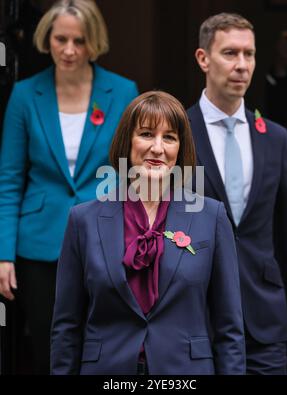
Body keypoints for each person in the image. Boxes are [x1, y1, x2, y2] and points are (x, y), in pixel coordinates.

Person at [50, 91, 246, 375]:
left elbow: (230, 328)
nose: (157, 148)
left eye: (169, 137)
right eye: (146, 134)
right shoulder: (83, 220)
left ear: (180, 149)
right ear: (127, 142)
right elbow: (66, 327)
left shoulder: (211, 217)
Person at [0, 0, 138, 375]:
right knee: (49, 344)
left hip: (103, 237)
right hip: (39, 245)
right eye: (61, 39)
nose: (69, 50)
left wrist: (135, 239)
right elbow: (10, 180)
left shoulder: (123, 92)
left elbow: (130, 174)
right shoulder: (26, 94)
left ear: (94, 43)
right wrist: (3, 254)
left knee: (103, 342)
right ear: (47, 38)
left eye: (80, 41)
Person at [187, 13, 287, 375]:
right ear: (203, 59)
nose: (241, 65)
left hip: (264, 322)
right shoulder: (175, 133)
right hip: (193, 319)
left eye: (249, 55)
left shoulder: (276, 137)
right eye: (230, 53)